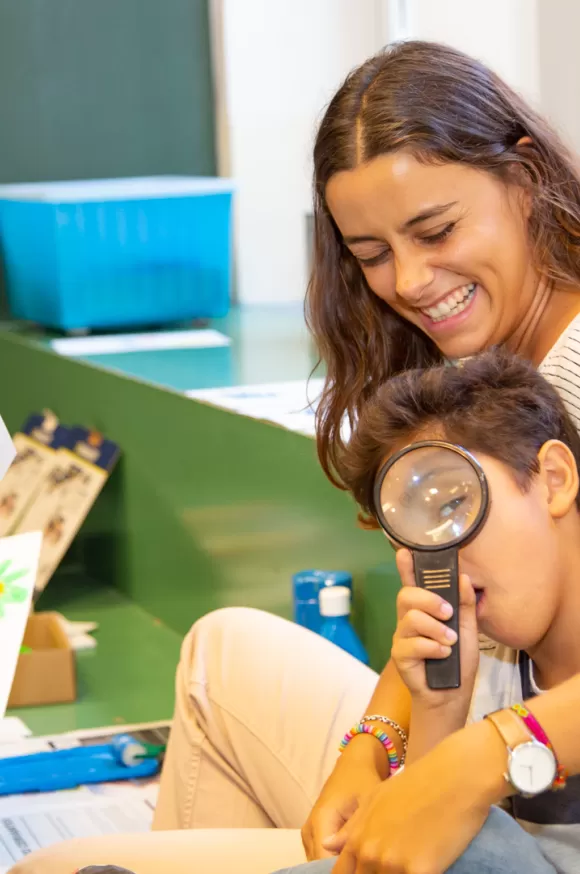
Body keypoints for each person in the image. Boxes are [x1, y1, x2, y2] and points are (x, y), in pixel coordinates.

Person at [12, 37, 580, 874]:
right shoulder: (481, 365)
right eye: (373, 254)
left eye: (437, 230)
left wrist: (485, 753)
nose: (413, 281)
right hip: (502, 766)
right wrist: (374, 744)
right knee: (223, 649)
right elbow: (442, 617)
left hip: (526, 797)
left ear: (526, 178)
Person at [275, 349, 580, 873]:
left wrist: (477, 757)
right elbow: (414, 849)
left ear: (553, 478)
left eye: (455, 506)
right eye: (411, 527)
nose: (439, 551)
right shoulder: (489, 657)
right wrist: (439, 711)